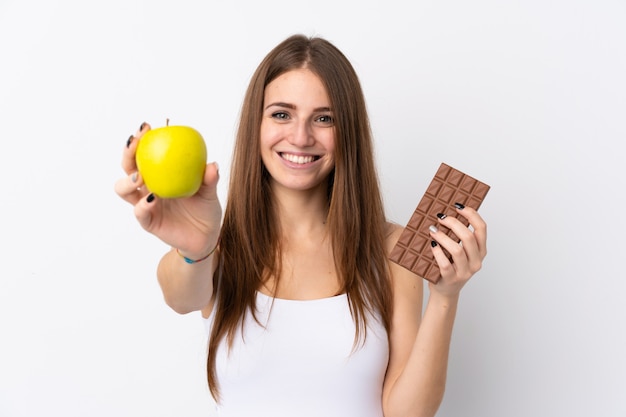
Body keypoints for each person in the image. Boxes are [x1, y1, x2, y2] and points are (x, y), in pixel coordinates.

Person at [115, 34, 487, 417]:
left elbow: (407, 414)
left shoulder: (393, 248)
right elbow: (181, 298)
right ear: (255, 125)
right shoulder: (218, 245)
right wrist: (196, 249)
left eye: (324, 118)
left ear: (348, 132)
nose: (300, 136)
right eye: (281, 114)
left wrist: (445, 297)